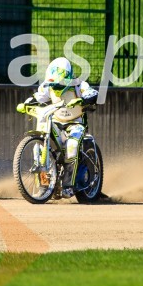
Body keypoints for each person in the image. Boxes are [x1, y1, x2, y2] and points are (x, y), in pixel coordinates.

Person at [27, 57, 98, 198]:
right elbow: (37, 98)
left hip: (76, 123)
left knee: (71, 146)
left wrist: (83, 99)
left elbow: (93, 93)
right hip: (56, 121)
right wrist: (26, 104)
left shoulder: (79, 85)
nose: (57, 87)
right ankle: (44, 184)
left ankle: (68, 185)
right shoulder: (49, 86)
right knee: (39, 147)